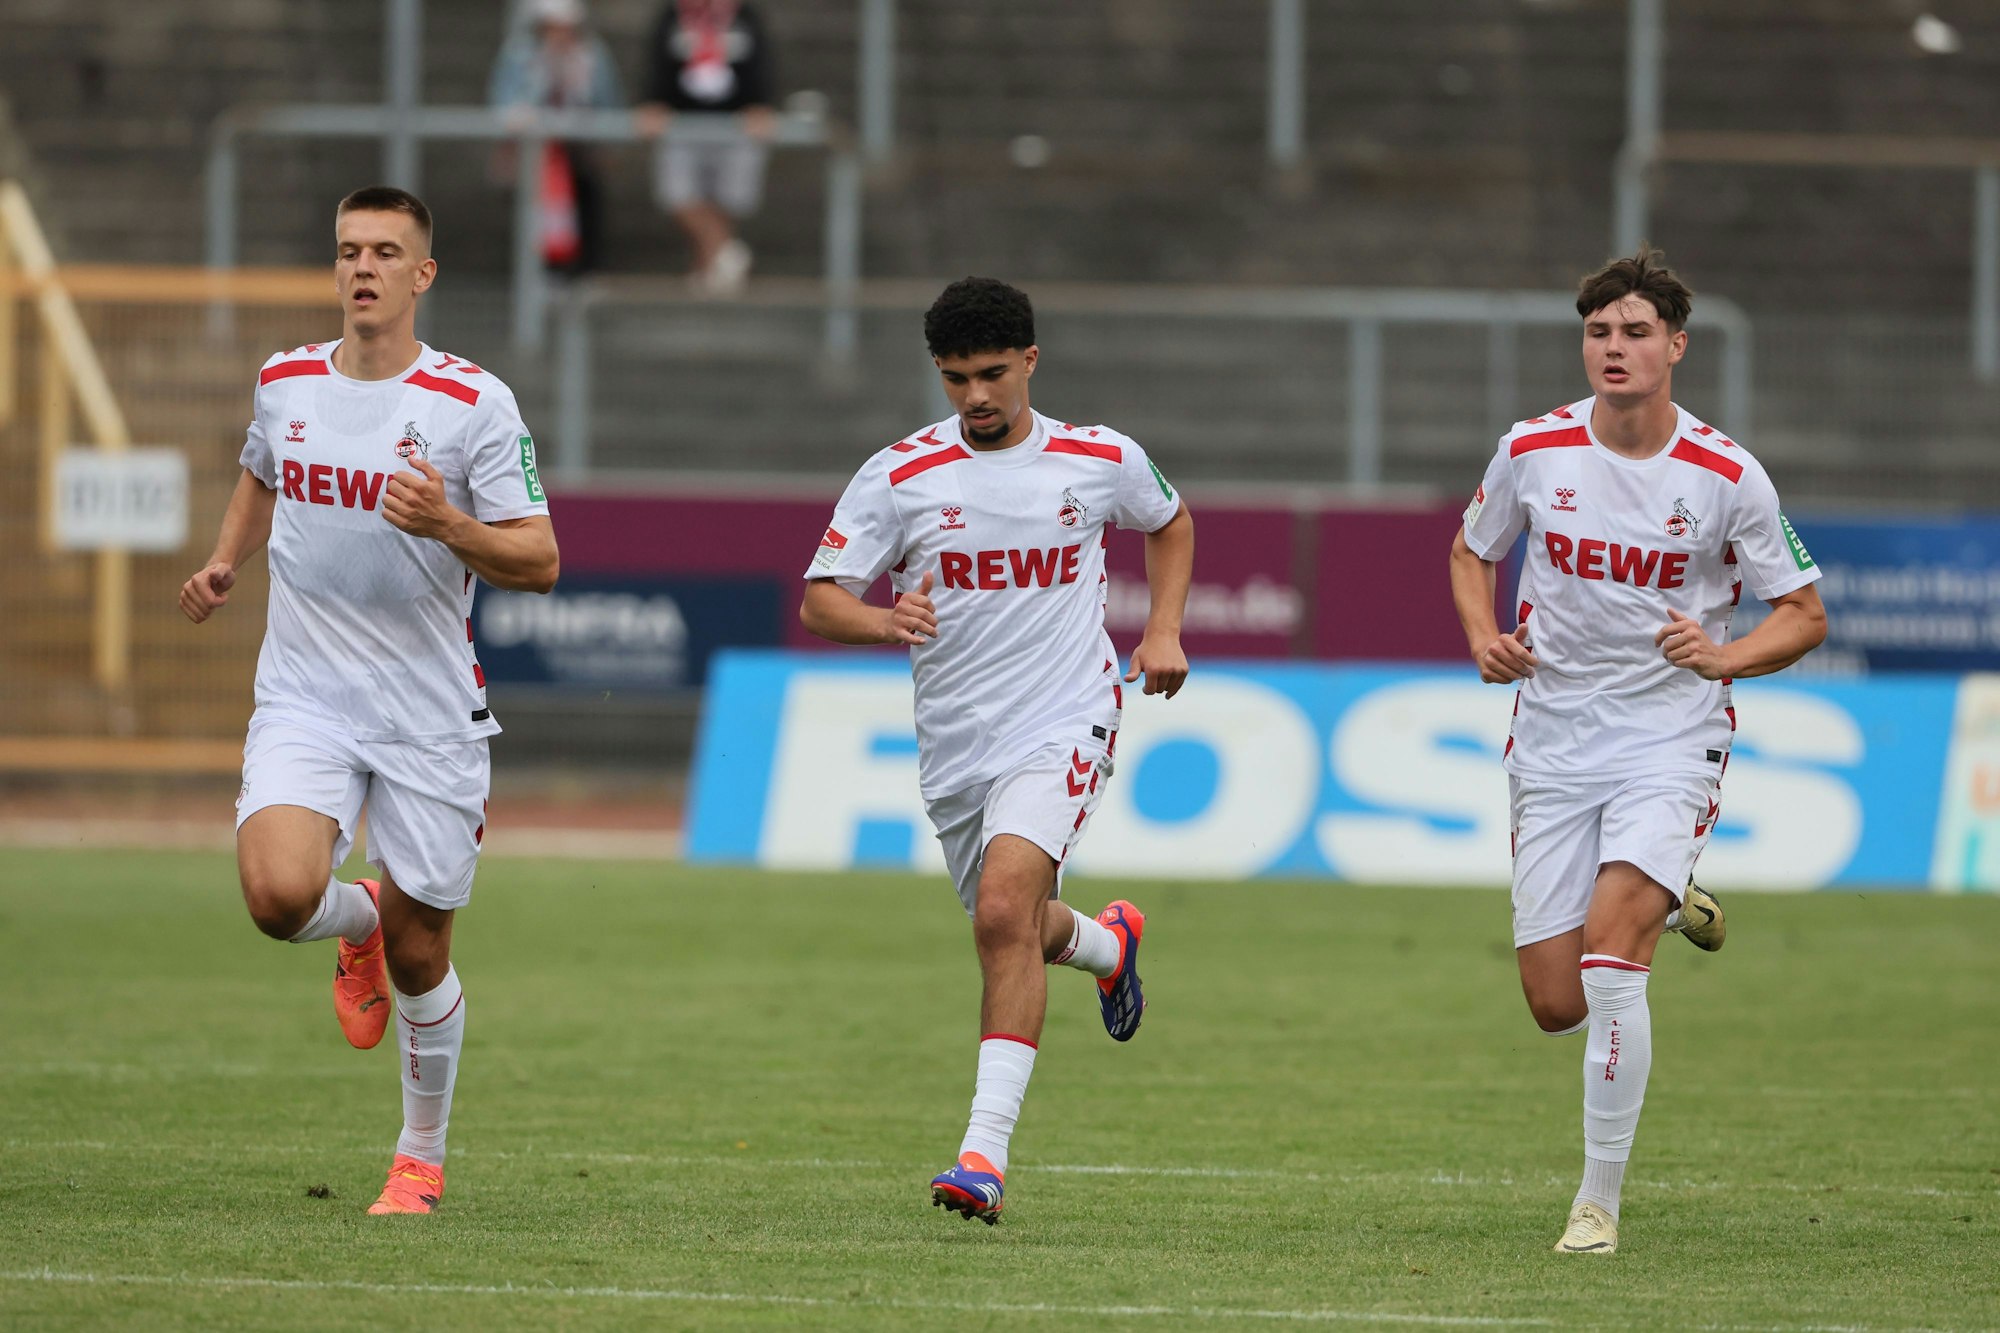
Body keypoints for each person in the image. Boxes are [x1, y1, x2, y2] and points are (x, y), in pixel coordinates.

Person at [179, 186, 560, 1215]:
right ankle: (353, 922)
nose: (363, 266)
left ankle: (419, 1156)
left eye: (386, 251)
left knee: (423, 947)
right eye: (349, 248)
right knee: (274, 897)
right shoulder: (285, 379)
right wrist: (223, 562)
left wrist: (449, 525)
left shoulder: (473, 403)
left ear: (420, 275)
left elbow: (538, 558)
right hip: (305, 694)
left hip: (427, 712)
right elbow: (261, 472)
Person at [1448, 248, 1827, 1255]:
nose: (1611, 348)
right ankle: (1673, 891)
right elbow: (1468, 551)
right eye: (1596, 332)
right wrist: (1484, 638)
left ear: (1673, 346)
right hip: (1555, 738)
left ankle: (1595, 1202)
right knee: (1551, 1000)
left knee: (1611, 963)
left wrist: (1723, 655)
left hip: (1668, 735)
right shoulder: (1531, 448)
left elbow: (1803, 612)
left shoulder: (1723, 473)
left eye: (1632, 332)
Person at [801, 277, 1195, 1224]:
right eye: (953, 380)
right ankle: (1106, 944)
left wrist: (1164, 631)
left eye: (989, 375)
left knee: (1004, 911)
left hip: (1066, 716)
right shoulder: (900, 475)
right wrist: (881, 617)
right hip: (957, 746)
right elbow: (820, 597)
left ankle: (982, 1155)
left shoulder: (1099, 458)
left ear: (1029, 361)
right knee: (1010, 923)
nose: (975, 396)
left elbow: (1170, 522)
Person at [635, 0, 777, 295]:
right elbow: (655, 62)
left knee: (728, 196)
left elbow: (763, 62)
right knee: (677, 194)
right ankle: (725, 251)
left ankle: (707, 268)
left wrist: (762, 104)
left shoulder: (746, 16)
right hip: (682, 122)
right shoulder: (671, 16)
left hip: (734, 123)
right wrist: (653, 101)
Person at [487, 0, 625, 273]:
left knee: (585, 204)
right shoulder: (520, 54)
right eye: (553, 29)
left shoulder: (593, 55)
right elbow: (503, 100)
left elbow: (608, 100)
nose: (561, 36)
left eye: (567, 29)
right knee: (537, 213)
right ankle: (537, 271)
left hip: (581, 150)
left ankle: (583, 271)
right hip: (537, 152)